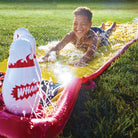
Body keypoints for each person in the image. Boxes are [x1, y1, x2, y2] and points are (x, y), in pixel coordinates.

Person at [39, 7, 116, 67]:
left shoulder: (93, 38)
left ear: (90, 24)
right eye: (76, 23)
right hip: (87, 30)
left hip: (99, 35)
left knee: (106, 33)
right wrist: (46, 56)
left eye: (82, 24)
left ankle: (112, 27)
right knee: (94, 29)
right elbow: (57, 47)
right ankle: (102, 26)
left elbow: (90, 52)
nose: (78, 27)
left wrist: (81, 61)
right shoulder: (70, 36)